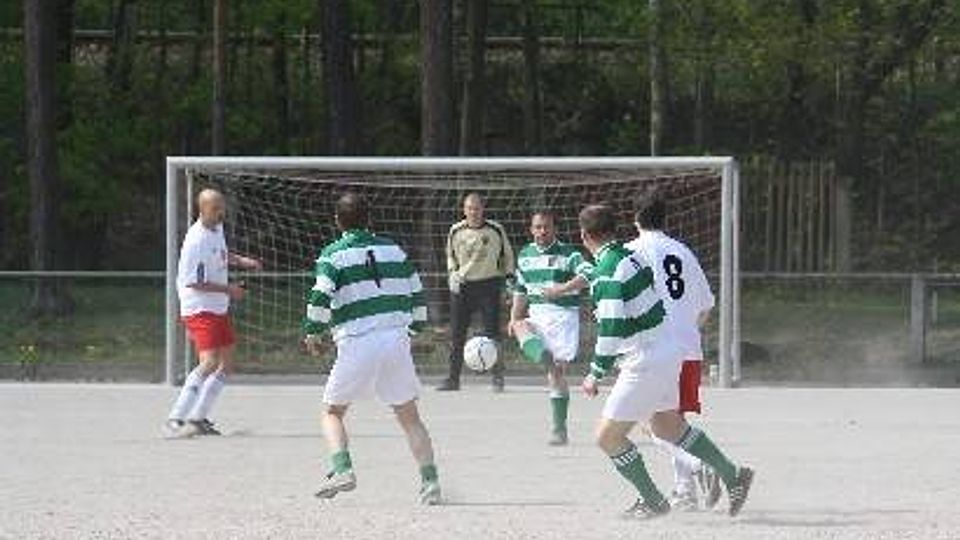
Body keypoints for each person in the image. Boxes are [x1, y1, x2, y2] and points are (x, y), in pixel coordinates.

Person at [575, 204, 753, 519]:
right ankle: (732, 474)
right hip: (668, 350)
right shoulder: (629, 258)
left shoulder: (609, 269)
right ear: (614, 230)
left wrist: (595, 373)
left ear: (584, 235)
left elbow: (612, 327)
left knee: (608, 437)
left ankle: (653, 500)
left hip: (643, 360)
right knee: (667, 425)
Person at [304, 192, 441, 505]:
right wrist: (415, 329)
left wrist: (313, 331)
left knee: (332, 413)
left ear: (337, 221)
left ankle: (343, 469)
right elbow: (417, 293)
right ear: (370, 219)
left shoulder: (332, 255)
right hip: (395, 339)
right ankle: (430, 482)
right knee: (410, 418)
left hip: (357, 340)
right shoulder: (394, 250)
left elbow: (320, 296)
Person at [625, 196, 721, 511]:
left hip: (653, 351)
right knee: (675, 423)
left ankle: (699, 465)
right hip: (688, 350)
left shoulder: (630, 252)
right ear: (664, 219)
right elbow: (706, 306)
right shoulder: (683, 251)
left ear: (636, 217)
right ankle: (685, 491)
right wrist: (686, 333)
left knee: (648, 422)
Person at [164, 189, 262, 438]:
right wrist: (230, 289)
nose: (221, 212)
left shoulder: (216, 229)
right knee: (209, 362)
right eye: (215, 208)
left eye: (222, 207)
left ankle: (198, 418)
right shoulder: (195, 241)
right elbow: (195, 282)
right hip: (199, 307)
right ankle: (175, 418)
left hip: (217, 306)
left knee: (226, 364)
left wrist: (241, 261)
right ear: (202, 209)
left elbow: (221, 254)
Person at [508, 210, 593, 445]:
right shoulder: (525, 255)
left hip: (563, 317)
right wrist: (513, 316)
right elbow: (521, 289)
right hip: (537, 313)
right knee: (519, 325)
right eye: (538, 227)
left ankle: (559, 429)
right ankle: (543, 356)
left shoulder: (570, 254)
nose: (542, 231)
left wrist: (561, 289)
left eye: (546, 227)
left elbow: (590, 274)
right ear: (531, 229)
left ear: (555, 228)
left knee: (556, 375)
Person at [437, 193, 516, 392]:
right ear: (464, 210)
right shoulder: (456, 230)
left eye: (477, 208)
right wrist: (452, 273)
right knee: (457, 334)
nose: (473, 212)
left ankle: (497, 378)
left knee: (493, 334)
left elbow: (507, 255)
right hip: (463, 287)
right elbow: (450, 255)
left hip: (488, 286)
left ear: (483, 209)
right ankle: (453, 379)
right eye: (469, 208)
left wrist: (509, 280)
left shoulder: (495, 229)